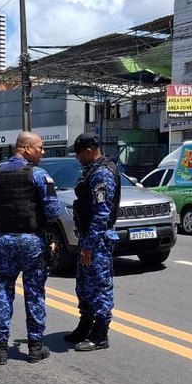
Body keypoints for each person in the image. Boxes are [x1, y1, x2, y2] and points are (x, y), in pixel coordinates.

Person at [0, 131, 61, 365]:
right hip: (31, 241)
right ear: (26, 148)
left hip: (4, 240)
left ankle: (0, 348)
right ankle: (35, 348)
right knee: (34, 293)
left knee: (3, 291)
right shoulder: (38, 174)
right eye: (40, 147)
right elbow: (53, 211)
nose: (43, 151)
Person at [66, 133, 121, 352]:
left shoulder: (102, 174)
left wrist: (89, 245)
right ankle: (85, 325)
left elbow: (101, 214)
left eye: (79, 154)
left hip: (97, 240)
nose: (77, 158)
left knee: (99, 287)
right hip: (89, 237)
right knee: (85, 286)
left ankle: (100, 335)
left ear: (89, 151)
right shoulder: (93, 171)